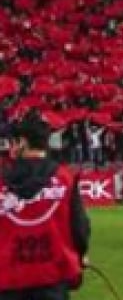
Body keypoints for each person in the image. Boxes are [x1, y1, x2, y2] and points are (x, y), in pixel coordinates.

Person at [0, 115, 91, 300]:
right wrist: (81, 254)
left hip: (9, 277)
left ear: (23, 142)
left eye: (13, 142)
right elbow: (80, 227)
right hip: (52, 277)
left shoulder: (2, 181)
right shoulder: (65, 178)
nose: (11, 148)